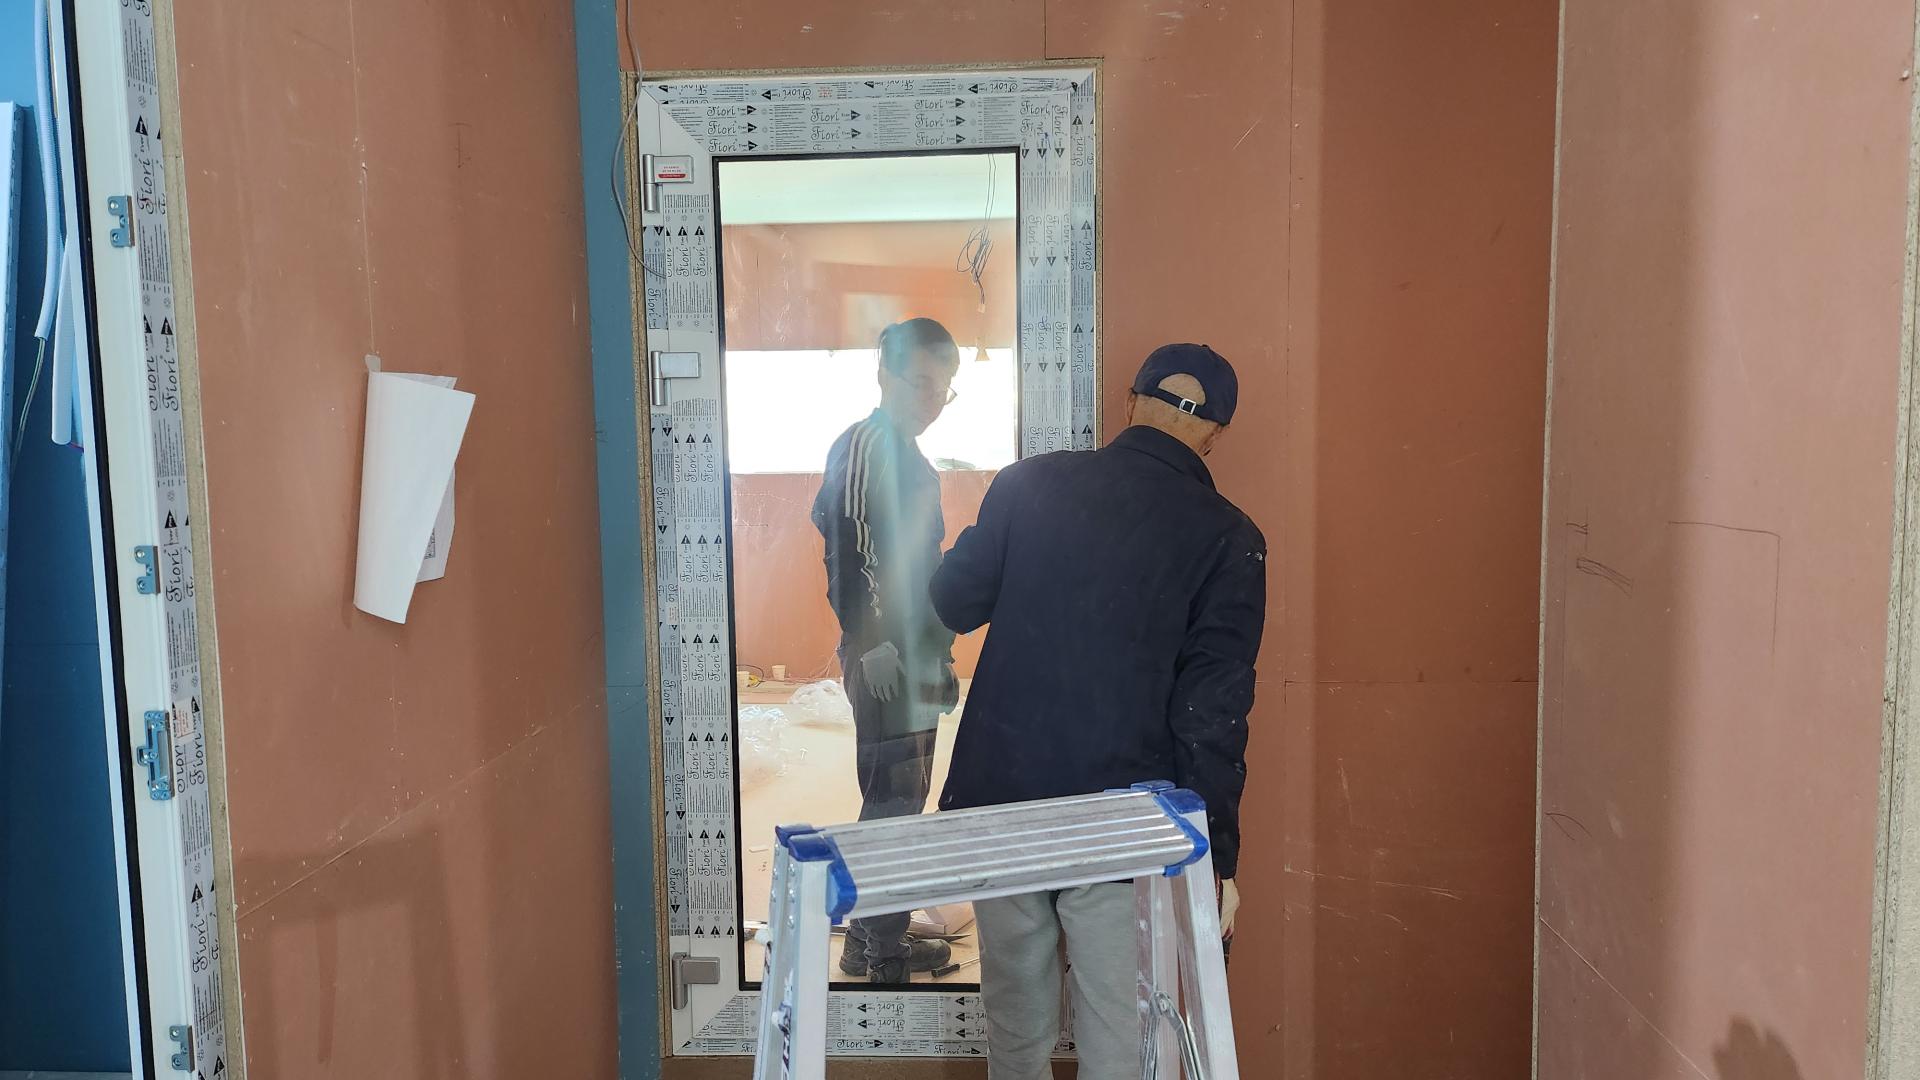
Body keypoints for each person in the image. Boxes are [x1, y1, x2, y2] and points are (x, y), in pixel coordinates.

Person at [929, 343, 1266, 1079]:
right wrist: (1217, 855)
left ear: (1131, 401)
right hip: (1122, 822)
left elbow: (954, 601)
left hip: (1003, 799)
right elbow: (1213, 712)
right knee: (1118, 1036)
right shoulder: (1229, 538)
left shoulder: (1027, 484)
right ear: (1216, 434)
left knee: (1016, 1032)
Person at [810, 317, 964, 983]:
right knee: (892, 800)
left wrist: (939, 654)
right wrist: (871, 643)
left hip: (914, 655)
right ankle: (884, 958)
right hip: (885, 658)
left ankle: (870, 937)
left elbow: (921, 566)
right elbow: (848, 550)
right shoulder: (866, 444)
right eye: (921, 383)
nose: (931, 401)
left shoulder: (911, 457)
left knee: (905, 795)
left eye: (943, 389)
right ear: (885, 375)